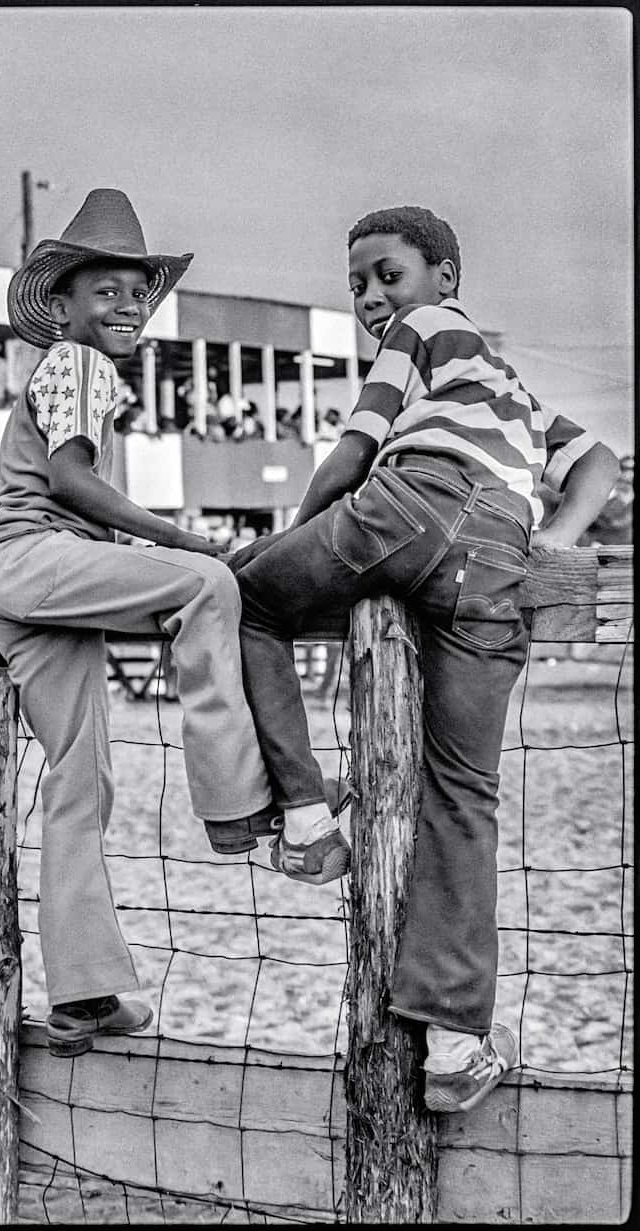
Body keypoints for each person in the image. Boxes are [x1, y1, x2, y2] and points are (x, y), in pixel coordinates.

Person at [229, 205, 620, 1114]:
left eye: (386, 274)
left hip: (415, 505)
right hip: (498, 559)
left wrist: (302, 542)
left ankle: (307, 820)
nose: (371, 297)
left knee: (247, 599)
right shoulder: (513, 392)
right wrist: (552, 539)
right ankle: (452, 1043)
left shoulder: (420, 333)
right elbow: (597, 457)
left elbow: (354, 452)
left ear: (445, 276)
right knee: (462, 790)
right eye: (358, 283)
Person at [0, 189, 346, 1058]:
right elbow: (67, 482)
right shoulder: (78, 364)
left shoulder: (75, 372)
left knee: (79, 779)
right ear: (60, 307)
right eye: (107, 291)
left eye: (138, 292)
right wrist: (179, 537)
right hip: (34, 554)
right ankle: (241, 808)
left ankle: (85, 992)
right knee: (208, 584)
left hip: (17, 577)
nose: (128, 306)